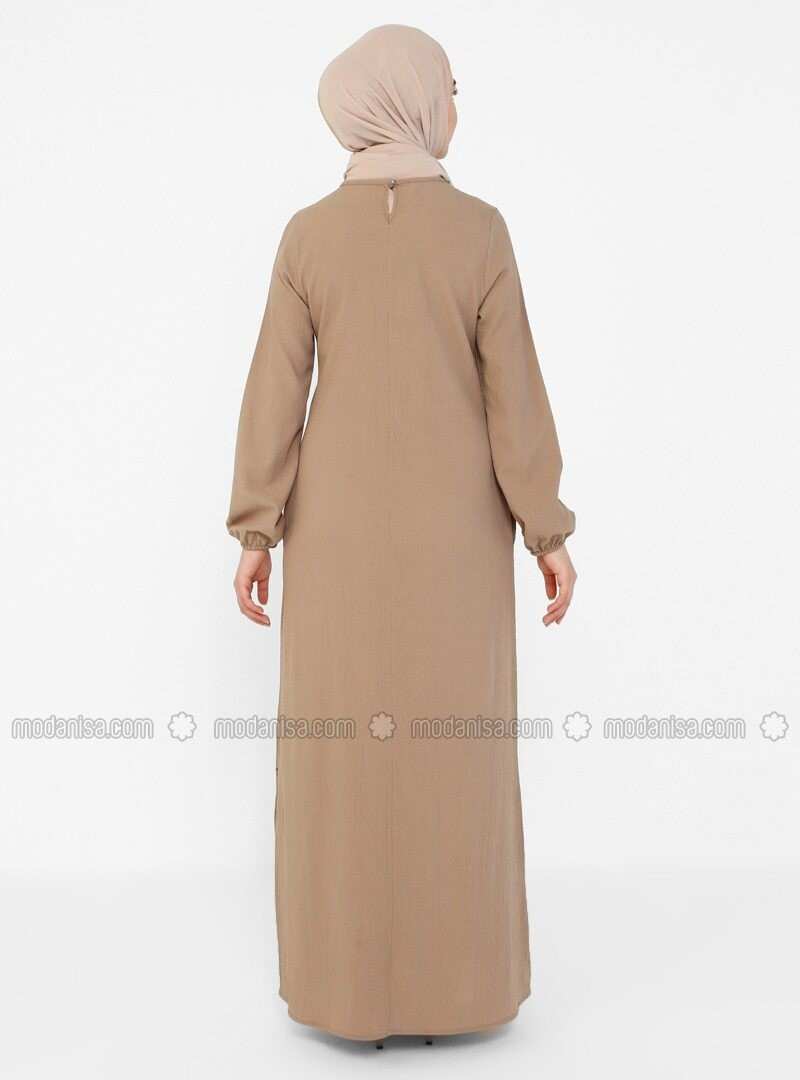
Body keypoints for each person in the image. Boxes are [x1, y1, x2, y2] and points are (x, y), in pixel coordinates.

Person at [226, 24, 577, 1043]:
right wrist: (546, 529)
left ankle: (345, 991)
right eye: (449, 89)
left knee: (339, 757)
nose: (456, 107)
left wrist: (256, 529)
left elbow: (274, 392)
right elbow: (515, 400)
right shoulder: (478, 232)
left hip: (332, 537)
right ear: (414, 102)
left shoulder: (308, 237)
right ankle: (453, 991)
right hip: (455, 538)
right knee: (454, 752)